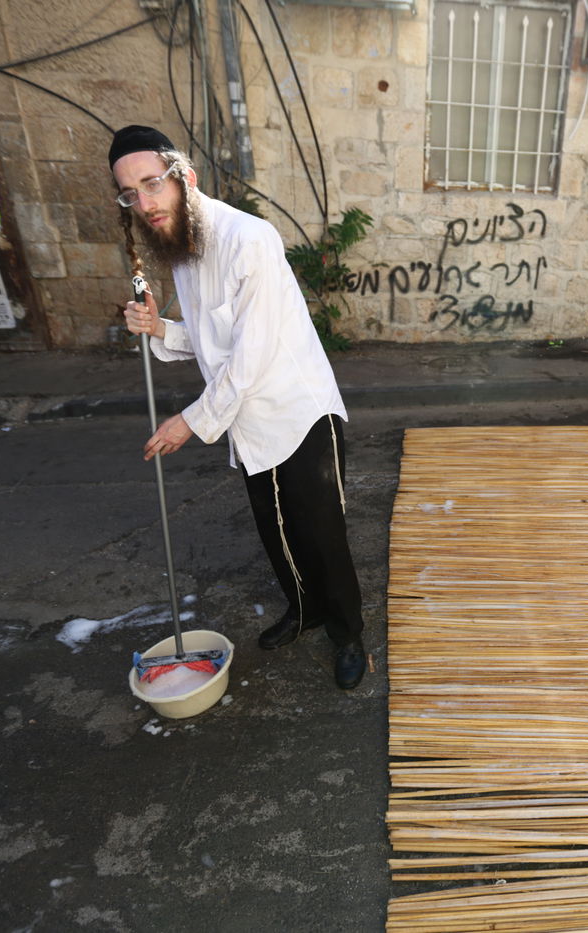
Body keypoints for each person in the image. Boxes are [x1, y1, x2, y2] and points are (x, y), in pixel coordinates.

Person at [110, 125, 366, 690]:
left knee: (323, 536)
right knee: (276, 531)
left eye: (152, 184)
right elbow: (211, 341)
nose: (144, 203)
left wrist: (190, 422)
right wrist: (159, 327)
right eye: (130, 193)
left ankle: (349, 635)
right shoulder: (180, 247)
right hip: (246, 421)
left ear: (184, 178)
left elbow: (248, 357)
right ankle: (305, 611)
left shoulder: (249, 239)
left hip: (297, 414)